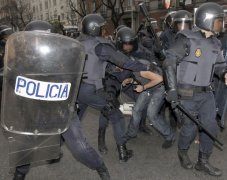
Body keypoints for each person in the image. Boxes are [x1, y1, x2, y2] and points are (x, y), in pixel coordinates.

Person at [10, 20, 110, 180]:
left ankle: (100, 166)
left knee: (80, 147)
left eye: (42, 39)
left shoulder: (62, 58)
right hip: (35, 111)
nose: (38, 42)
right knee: (27, 146)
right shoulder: (20, 60)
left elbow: (72, 78)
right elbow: (10, 79)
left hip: (61, 108)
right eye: (35, 39)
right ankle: (19, 174)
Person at [163, 2, 227, 176]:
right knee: (190, 128)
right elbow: (168, 62)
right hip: (186, 93)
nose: (221, 25)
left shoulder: (216, 43)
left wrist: (225, 72)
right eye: (218, 21)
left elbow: (219, 65)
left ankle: (203, 161)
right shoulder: (186, 38)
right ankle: (182, 151)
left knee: (210, 127)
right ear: (206, 20)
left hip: (207, 93)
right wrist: (171, 90)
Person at [76, 14, 150, 162]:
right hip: (92, 89)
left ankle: (54, 150)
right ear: (95, 29)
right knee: (116, 116)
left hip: (77, 90)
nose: (104, 30)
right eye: (102, 28)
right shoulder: (100, 46)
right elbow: (125, 62)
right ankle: (122, 153)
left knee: (72, 121)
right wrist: (148, 66)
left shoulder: (77, 42)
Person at [113, 26, 175, 149]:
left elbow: (159, 79)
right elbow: (139, 77)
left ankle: (169, 136)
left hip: (160, 87)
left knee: (152, 115)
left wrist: (143, 87)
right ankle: (131, 133)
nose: (118, 68)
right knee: (136, 110)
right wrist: (130, 80)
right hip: (150, 86)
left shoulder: (138, 67)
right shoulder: (133, 64)